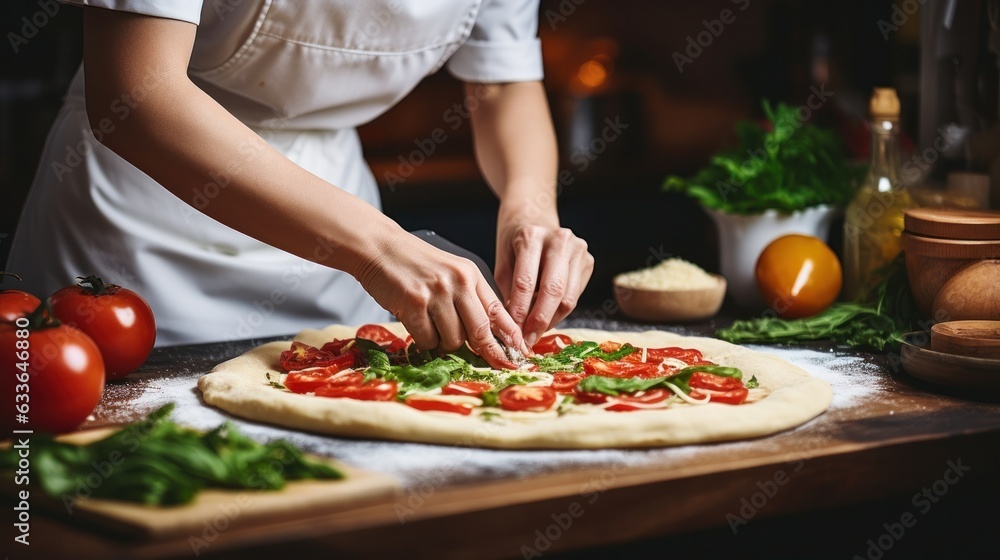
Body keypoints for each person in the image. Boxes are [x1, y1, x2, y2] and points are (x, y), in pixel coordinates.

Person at [7, 1, 593, 367]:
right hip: (141, 211)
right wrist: (378, 247)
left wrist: (529, 211)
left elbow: (503, 82)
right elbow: (137, 95)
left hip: (334, 226)